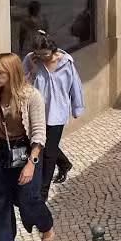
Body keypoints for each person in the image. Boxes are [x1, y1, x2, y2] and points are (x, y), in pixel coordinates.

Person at [0, 54, 55, 241]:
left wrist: (31, 164)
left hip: (28, 151)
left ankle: (46, 225)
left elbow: (40, 133)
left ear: (12, 73)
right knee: (0, 205)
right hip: (2, 153)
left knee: (28, 199)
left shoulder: (32, 96)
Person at [23, 32, 83, 199]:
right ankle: (64, 163)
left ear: (52, 49)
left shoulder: (65, 62)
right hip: (36, 113)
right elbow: (21, 84)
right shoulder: (31, 60)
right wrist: (34, 71)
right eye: (38, 54)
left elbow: (75, 85)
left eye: (45, 54)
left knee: (48, 154)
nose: (41, 57)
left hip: (57, 112)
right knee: (41, 145)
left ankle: (42, 194)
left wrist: (77, 107)